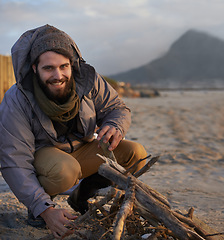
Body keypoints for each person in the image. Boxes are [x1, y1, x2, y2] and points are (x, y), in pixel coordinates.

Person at [0, 24, 147, 239]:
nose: (58, 75)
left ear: (72, 64)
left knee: (136, 152)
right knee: (65, 170)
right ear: (34, 68)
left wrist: (115, 125)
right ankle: (38, 212)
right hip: (45, 157)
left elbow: (117, 107)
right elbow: (14, 161)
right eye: (48, 68)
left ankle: (81, 196)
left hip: (82, 147)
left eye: (63, 66)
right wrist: (45, 210)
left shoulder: (88, 80)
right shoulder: (17, 100)